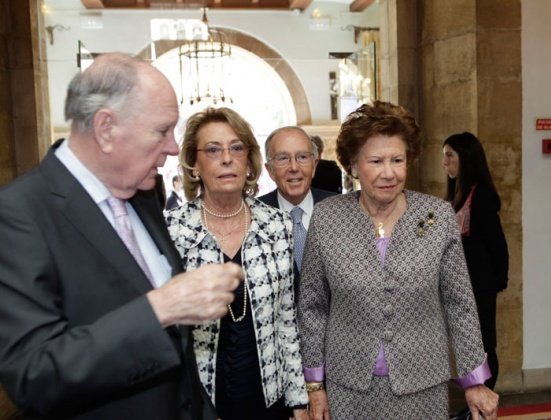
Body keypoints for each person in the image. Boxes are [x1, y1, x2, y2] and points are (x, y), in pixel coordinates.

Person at [0, 53, 243, 419]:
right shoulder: (20, 213)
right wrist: (161, 308)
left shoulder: (143, 193)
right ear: (106, 128)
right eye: (162, 130)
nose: (174, 148)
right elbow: (34, 376)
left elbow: (181, 367)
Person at [297, 101, 499, 419]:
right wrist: (314, 384)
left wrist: (474, 380)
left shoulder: (435, 216)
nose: (388, 172)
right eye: (376, 161)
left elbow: (460, 303)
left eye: (397, 160)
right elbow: (312, 308)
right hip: (347, 386)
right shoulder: (327, 218)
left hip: (423, 383)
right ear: (352, 164)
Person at [164, 108, 309, 420]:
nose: (226, 158)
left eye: (236, 148)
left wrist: (299, 400)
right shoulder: (172, 230)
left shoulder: (278, 225)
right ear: (194, 165)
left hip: (267, 399)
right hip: (199, 400)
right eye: (213, 150)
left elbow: (288, 322)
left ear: (248, 161)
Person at [442, 132, 509, 392]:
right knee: (467, 344)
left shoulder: (481, 196)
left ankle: (486, 397)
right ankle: (474, 400)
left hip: (480, 284)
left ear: (466, 158)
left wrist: (499, 280)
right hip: (460, 285)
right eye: (444, 156)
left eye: (449, 155)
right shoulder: (456, 194)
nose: (445, 162)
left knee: (484, 344)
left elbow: (497, 244)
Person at [258, 126, 336, 275]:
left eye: (302, 157)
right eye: (283, 158)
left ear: (314, 165)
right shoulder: (254, 216)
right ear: (270, 170)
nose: (294, 167)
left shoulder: (339, 211)